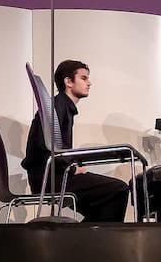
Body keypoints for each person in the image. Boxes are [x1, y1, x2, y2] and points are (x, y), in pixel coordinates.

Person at [21, 59, 132, 222]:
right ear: (68, 82)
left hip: (52, 175)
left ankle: (89, 242)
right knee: (119, 189)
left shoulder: (61, 106)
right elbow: (47, 146)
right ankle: (100, 242)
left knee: (104, 202)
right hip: (50, 179)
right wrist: (72, 169)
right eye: (84, 78)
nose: (89, 83)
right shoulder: (58, 107)